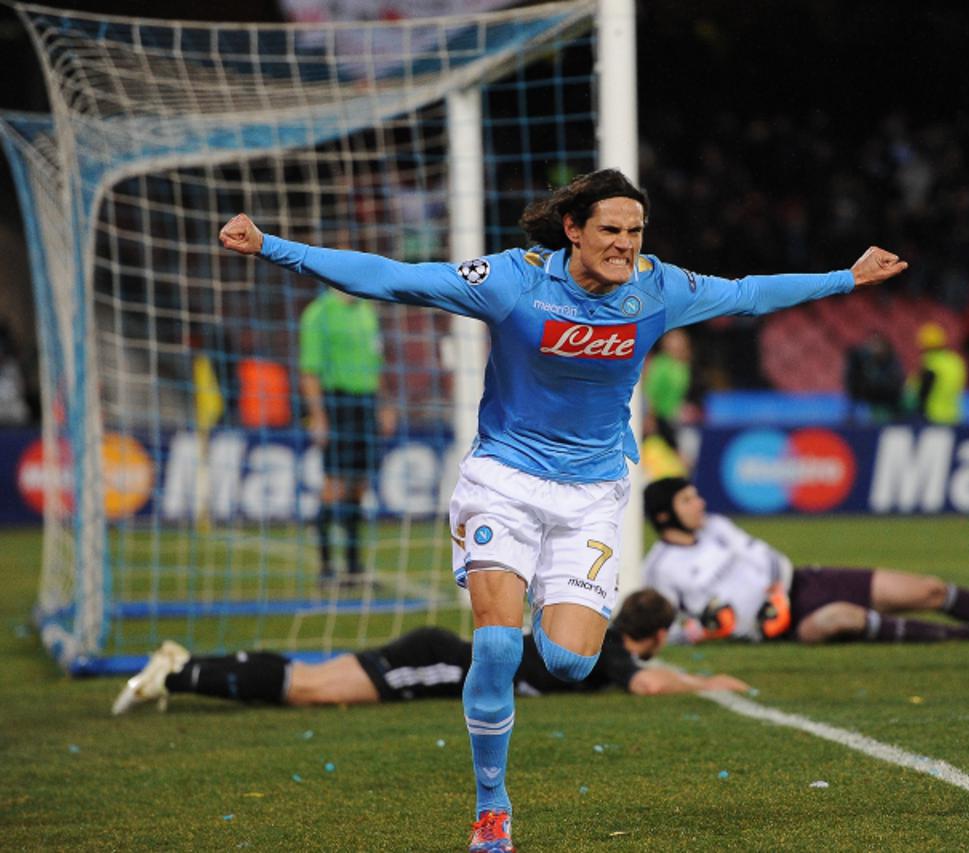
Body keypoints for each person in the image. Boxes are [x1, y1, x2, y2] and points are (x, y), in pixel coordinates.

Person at [218, 167, 908, 852]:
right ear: (573, 230)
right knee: (493, 644)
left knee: (570, 663)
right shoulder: (514, 282)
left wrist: (845, 278)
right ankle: (493, 811)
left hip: (591, 496)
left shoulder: (657, 289)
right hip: (504, 481)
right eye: (611, 230)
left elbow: (751, 294)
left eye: (636, 232)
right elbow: (398, 279)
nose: (625, 245)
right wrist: (275, 245)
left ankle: (553, 609)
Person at [110, 588, 747, 715]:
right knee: (314, 691)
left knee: (313, 678)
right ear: (655, 635)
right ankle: (182, 675)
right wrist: (708, 683)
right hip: (448, 662)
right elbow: (647, 685)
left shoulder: (600, 641)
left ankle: (182, 665)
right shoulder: (608, 655)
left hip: (446, 653)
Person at [642, 477, 969, 646]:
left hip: (804, 583)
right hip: (778, 630)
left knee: (926, 588)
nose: (699, 502)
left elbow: (766, 557)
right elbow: (665, 630)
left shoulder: (716, 526)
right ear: (665, 515)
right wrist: (707, 630)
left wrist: (776, 591)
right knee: (843, 619)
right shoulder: (659, 568)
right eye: (687, 499)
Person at [298, 287, 396, 584]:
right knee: (334, 484)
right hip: (336, 403)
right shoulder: (318, 313)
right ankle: (327, 567)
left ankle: (354, 567)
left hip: (366, 404)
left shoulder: (366, 311)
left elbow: (377, 363)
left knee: (360, 485)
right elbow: (309, 371)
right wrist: (318, 416)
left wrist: (385, 404)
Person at [909, 321, 965, 425]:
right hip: (953, 415)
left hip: (933, 416)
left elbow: (921, 391)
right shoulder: (955, 361)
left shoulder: (931, 363)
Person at [844, 331, 904, 423]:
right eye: (871, 344)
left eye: (876, 344)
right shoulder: (863, 362)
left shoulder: (891, 363)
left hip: (888, 404)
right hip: (867, 403)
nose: (873, 348)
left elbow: (895, 385)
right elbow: (852, 384)